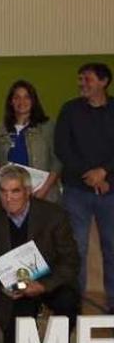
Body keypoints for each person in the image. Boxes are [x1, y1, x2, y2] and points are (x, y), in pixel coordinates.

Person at [0, 165, 80, 343]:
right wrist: (1, 284)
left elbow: (71, 261)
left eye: (15, 191)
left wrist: (43, 286)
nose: (9, 198)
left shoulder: (54, 216)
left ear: (28, 191)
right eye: (3, 191)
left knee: (68, 300)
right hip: (15, 288)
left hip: (50, 281)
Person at [54, 62, 114, 313]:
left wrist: (104, 172)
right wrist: (89, 175)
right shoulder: (69, 110)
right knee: (74, 249)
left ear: (104, 81)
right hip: (76, 191)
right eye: (80, 79)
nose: (82, 84)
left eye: (87, 79)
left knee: (112, 247)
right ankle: (72, 307)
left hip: (111, 190)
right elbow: (62, 148)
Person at [0, 80, 61, 202]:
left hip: (42, 194)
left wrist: (44, 190)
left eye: (26, 97)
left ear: (33, 101)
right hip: (9, 196)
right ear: (11, 102)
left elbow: (57, 162)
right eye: (17, 98)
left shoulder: (48, 127)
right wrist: (3, 170)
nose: (21, 102)